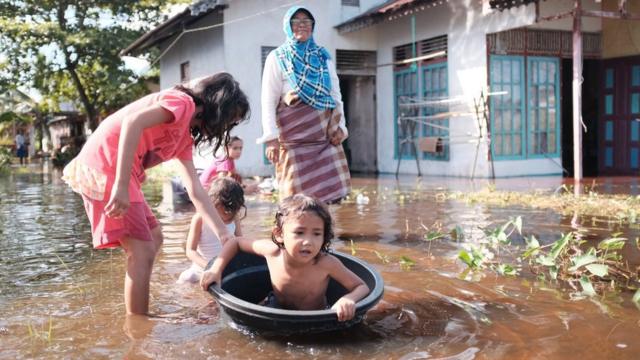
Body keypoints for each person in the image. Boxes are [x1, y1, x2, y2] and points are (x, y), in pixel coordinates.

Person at [61, 72, 250, 315]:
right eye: (230, 120)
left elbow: (195, 189)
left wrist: (224, 235)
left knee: (155, 237)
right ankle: (138, 323)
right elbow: (132, 122)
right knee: (142, 250)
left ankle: (138, 304)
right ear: (218, 106)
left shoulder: (184, 138)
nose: (228, 127)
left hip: (122, 173)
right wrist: (120, 185)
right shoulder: (183, 103)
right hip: (107, 166)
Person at [201, 194, 369, 321]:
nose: (308, 241)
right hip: (275, 307)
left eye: (317, 234)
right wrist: (216, 269)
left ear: (324, 237)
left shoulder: (326, 263)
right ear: (280, 234)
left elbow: (361, 286)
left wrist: (348, 299)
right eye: (299, 232)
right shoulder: (272, 252)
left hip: (315, 316)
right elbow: (235, 242)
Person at [258, 6, 351, 204]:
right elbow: (268, 100)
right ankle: (293, 234)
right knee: (294, 201)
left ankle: (323, 234)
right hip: (293, 143)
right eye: (296, 21)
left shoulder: (322, 57)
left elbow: (335, 95)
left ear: (313, 26)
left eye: (306, 21)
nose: (302, 25)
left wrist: (341, 126)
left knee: (326, 199)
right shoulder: (277, 57)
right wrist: (271, 138)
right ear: (288, 27)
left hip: (323, 141)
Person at [178, 177, 245, 284]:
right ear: (213, 203)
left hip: (225, 268)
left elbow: (240, 243)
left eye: (232, 213)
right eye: (224, 213)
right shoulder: (200, 219)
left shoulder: (235, 217)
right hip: (201, 269)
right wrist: (209, 267)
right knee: (187, 277)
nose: (228, 216)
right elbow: (190, 251)